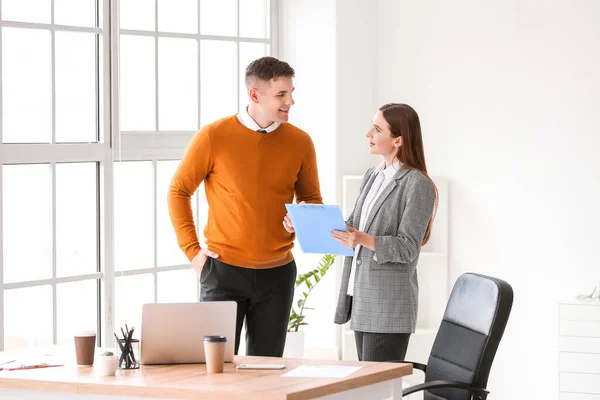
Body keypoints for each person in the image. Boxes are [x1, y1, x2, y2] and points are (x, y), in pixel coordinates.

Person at [168, 57, 322, 357]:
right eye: (281, 94)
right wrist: (193, 251)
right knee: (216, 370)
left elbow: (311, 199)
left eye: (291, 92)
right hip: (223, 273)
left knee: (266, 373)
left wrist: (301, 217)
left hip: (278, 275)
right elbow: (178, 191)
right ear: (255, 95)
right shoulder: (214, 136)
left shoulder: (300, 142)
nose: (290, 101)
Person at [332, 103, 437, 362]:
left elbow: (408, 248)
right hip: (362, 298)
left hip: (389, 307)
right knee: (369, 388)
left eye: (377, 129)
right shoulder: (372, 176)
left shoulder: (418, 185)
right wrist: (309, 221)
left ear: (398, 140)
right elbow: (353, 225)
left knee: (378, 390)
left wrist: (362, 239)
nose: (368, 133)